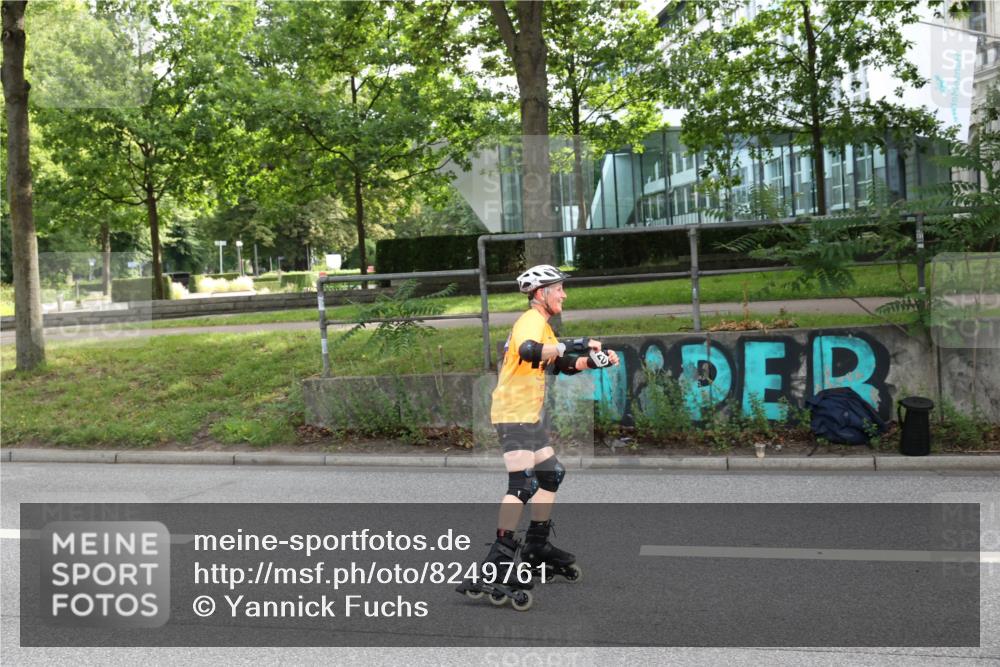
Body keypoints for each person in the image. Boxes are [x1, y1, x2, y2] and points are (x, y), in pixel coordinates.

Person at [469, 264, 620, 599]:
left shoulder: (544, 327)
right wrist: (578, 343)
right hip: (512, 412)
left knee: (550, 475)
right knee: (522, 484)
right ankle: (498, 560)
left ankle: (536, 546)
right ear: (540, 294)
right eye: (558, 288)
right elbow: (529, 351)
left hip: (526, 415)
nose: (563, 294)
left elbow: (561, 364)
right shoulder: (530, 323)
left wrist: (594, 361)